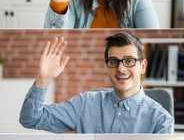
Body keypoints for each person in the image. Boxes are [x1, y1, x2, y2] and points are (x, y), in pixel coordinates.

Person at [20, 32, 173, 133]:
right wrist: (43, 80)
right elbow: (30, 118)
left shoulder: (161, 121)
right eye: (114, 61)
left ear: (143, 66)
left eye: (129, 61)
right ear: (107, 65)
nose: (121, 68)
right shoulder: (85, 103)